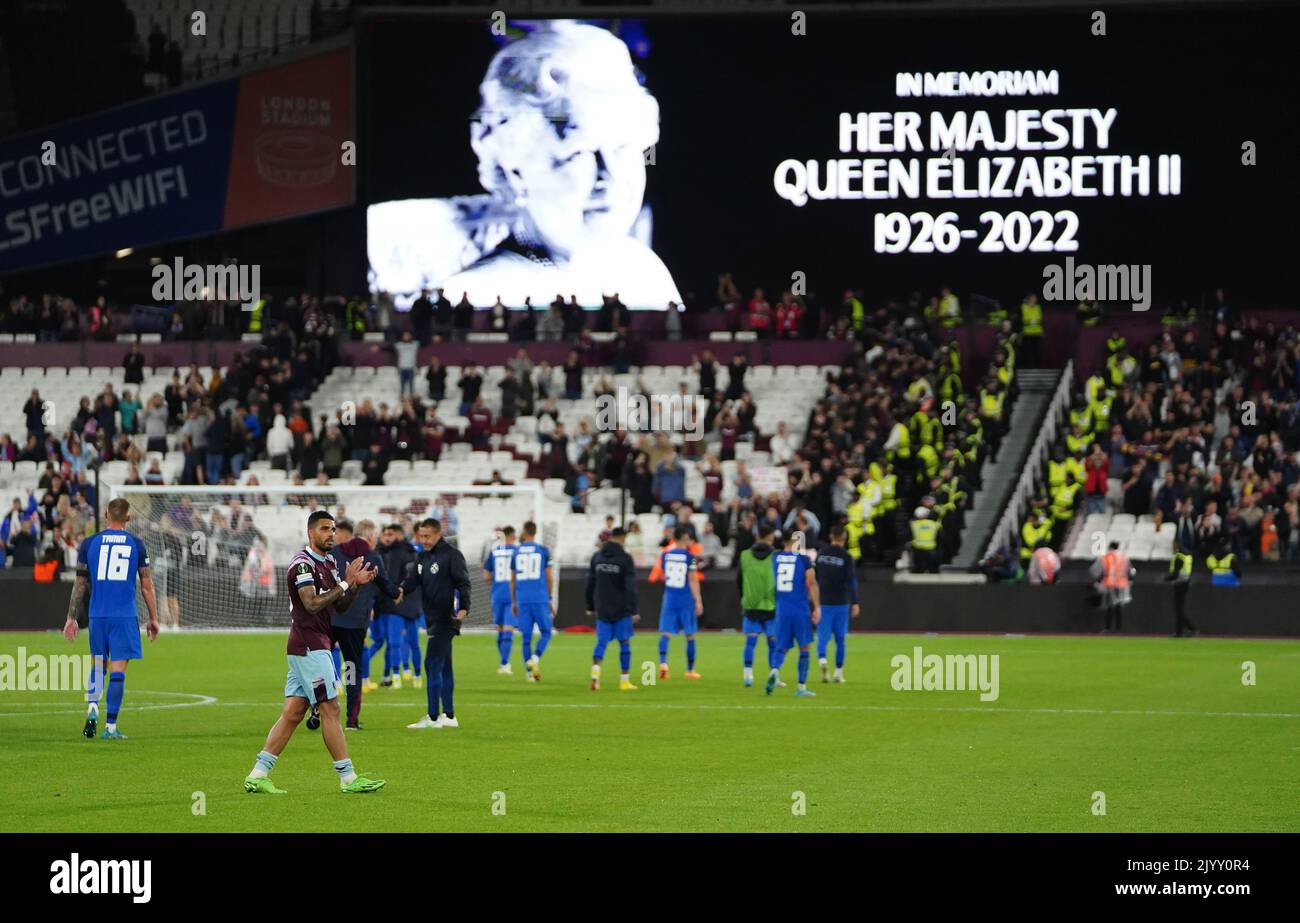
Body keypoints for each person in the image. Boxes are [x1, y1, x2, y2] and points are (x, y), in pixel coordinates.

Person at [243, 510, 385, 794]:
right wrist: (345, 583)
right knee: (330, 708)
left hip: (310, 645)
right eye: (324, 529)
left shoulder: (330, 562)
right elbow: (311, 604)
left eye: (333, 529)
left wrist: (354, 584)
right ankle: (348, 778)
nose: (331, 534)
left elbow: (338, 606)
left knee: (293, 713)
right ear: (311, 532)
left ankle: (258, 774)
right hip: (309, 646)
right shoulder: (302, 565)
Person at [62, 498, 161, 740]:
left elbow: (80, 584)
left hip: (98, 615)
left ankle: (93, 706)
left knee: (98, 665)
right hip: (124, 615)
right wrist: (153, 618)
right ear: (128, 517)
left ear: (106, 515)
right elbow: (146, 585)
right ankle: (110, 727)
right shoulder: (136, 545)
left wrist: (71, 618)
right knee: (118, 670)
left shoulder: (89, 543)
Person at [330, 520, 402, 730]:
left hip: (331, 618)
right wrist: (398, 593)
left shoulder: (335, 552)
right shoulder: (372, 556)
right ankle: (351, 720)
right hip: (355, 622)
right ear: (371, 536)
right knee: (352, 668)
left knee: (320, 666)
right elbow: (386, 586)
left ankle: (316, 707)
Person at [402, 518, 472, 730]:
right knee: (444, 666)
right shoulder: (422, 557)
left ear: (438, 534)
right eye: (420, 536)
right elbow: (411, 582)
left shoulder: (451, 555)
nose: (423, 540)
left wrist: (463, 609)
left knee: (431, 663)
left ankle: (433, 718)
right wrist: (397, 591)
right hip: (432, 618)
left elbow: (464, 583)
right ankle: (449, 716)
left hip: (447, 618)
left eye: (427, 536)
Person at [766, 533, 820, 697]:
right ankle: (801, 687)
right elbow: (811, 583)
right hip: (800, 609)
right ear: (797, 541)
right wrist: (817, 607)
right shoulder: (803, 560)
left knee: (781, 646)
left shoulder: (774, 557)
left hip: (782, 610)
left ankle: (774, 670)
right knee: (804, 647)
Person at [585, 527, 639, 691]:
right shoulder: (625, 558)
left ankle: (595, 677)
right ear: (622, 538)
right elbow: (630, 587)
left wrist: (590, 605)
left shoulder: (597, 557)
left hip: (603, 608)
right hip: (621, 608)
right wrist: (633, 609)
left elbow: (589, 584)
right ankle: (624, 681)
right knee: (624, 643)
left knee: (601, 643)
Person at [652, 525, 704, 681]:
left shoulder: (665, 555)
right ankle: (690, 670)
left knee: (666, 633)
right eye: (688, 537)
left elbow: (661, 575)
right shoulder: (690, 556)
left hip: (669, 597)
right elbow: (693, 579)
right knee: (690, 635)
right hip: (685, 598)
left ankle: (663, 664)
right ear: (683, 538)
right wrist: (698, 600)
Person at [510, 521, 555, 682]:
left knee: (526, 639)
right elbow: (549, 577)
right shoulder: (543, 550)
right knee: (547, 632)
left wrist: (514, 601)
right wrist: (550, 598)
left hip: (522, 599)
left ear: (524, 531)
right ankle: (534, 660)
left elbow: (513, 580)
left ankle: (529, 674)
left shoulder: (516, 552)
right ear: (535, 533)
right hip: (540, 598)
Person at [814, 524, 859, 684]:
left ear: (831, 536)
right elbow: (851, 581)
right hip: (841, 602)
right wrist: (855, 602)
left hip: (824, 602)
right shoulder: (846, 557)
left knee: (822, 638)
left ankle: (822, 661)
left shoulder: (821, 555)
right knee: (840, 639)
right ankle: (838, 673)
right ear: (844, 537)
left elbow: (814, 579)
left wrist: (813, 601)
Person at [736, 522, 779, 688]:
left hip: (750, 605)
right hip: (771, 605)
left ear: (757, 536)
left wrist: (745, 597)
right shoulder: (776, 556)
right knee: (773, 643)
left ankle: (748, 675)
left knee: (750, 642)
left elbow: (738, 580)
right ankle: (773, 674)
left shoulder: (744, 555)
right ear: (770, 537)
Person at [484, 525, 518, 674]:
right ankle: (505, 664)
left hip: (497, 595)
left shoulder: (494, 552)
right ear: (512, 537)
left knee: (500, 629)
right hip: (512, 595)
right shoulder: (517, 551)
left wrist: (497, 577)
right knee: (508, 629)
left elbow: (486, 576)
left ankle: (504, 662)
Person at [1091, 540, 1133, 633]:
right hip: (1122, 584)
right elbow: (1131, 571)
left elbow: (1095, 571)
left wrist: (1098, 581)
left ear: (1110, 547)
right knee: (1119, 606)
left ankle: (1108, 628)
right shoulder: (1124, 557)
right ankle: (1119, 628)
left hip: (1110, 584)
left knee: (1110, 606)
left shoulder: (1106, 557)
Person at [1165, 545, 1197, 637]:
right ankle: (1179, 632)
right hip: (1185, 582)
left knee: (1178, 609)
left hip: (1179, 584)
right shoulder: (1188, 556)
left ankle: (1191, 628)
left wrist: (1166, 578)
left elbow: (1175, 574)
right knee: (1179, 609)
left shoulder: (1179, 557)